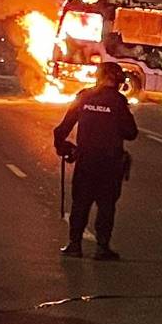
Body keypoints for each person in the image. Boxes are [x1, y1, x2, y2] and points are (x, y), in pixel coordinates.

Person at [53, 62, 138, 260]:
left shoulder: (84, 97)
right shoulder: (118, 101)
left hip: (86, 161)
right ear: (117, 80)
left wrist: (64, 147)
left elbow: (62, 129)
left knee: (80, 203)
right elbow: (131, 133)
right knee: (106, 205)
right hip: (110, 164)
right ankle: (102, 247)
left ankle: (74, 245)